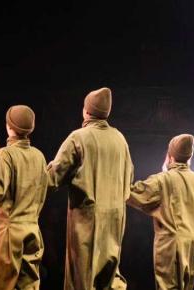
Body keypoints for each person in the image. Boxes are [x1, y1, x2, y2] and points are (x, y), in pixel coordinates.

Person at [47, 87, 133, 290]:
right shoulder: (120, 139)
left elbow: (52, 177)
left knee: (83, 281)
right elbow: (128, 178)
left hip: (87, 223)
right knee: (110, 280)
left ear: (86, 111)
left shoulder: (79, 137)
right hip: (115, 221)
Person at [128, 134, 194, 290]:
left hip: (172, 244)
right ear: (189, 158)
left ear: (170, 157)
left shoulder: (163, 179)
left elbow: (135, 194)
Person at [0, 105, 48, 290]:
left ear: (9, 127)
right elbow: (43, 191)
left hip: (6, 235)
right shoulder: (39, 157)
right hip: (32, 232)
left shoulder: (5, 155)